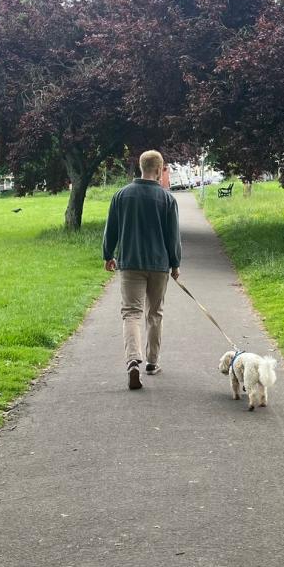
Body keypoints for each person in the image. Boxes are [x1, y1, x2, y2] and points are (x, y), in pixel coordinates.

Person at [102, 150, 182, 390]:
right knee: (155, 313)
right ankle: (152, 362)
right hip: (159, 265)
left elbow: (111, 229)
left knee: (131, 313)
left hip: (130, 263)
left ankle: (132, 361)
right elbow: (173, 236)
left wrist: (108, 254)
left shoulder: (121, 195)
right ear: (159, 169)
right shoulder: (167, 200)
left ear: (141, 167)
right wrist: (175, 263)